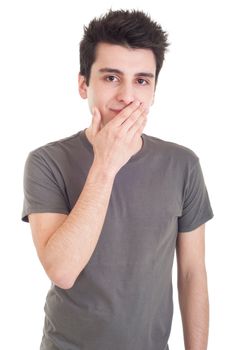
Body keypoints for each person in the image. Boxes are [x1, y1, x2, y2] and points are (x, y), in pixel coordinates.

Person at [21, 9, 214, 350]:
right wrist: (105, 164)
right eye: (111, 78)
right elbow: (62, 271)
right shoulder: (46, 162)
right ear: (84, 84)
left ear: (153, 90)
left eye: (142, 80)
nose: (127, 95)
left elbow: (192, 273)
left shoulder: (182, 164)